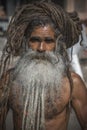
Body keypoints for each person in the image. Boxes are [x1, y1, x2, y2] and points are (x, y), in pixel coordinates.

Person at [0, 1, 87, 130]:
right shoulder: (9, 80)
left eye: (48, 41)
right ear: (26, 42)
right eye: (34, 40)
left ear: (58, 44)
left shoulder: (72, 83)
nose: (41, 48)